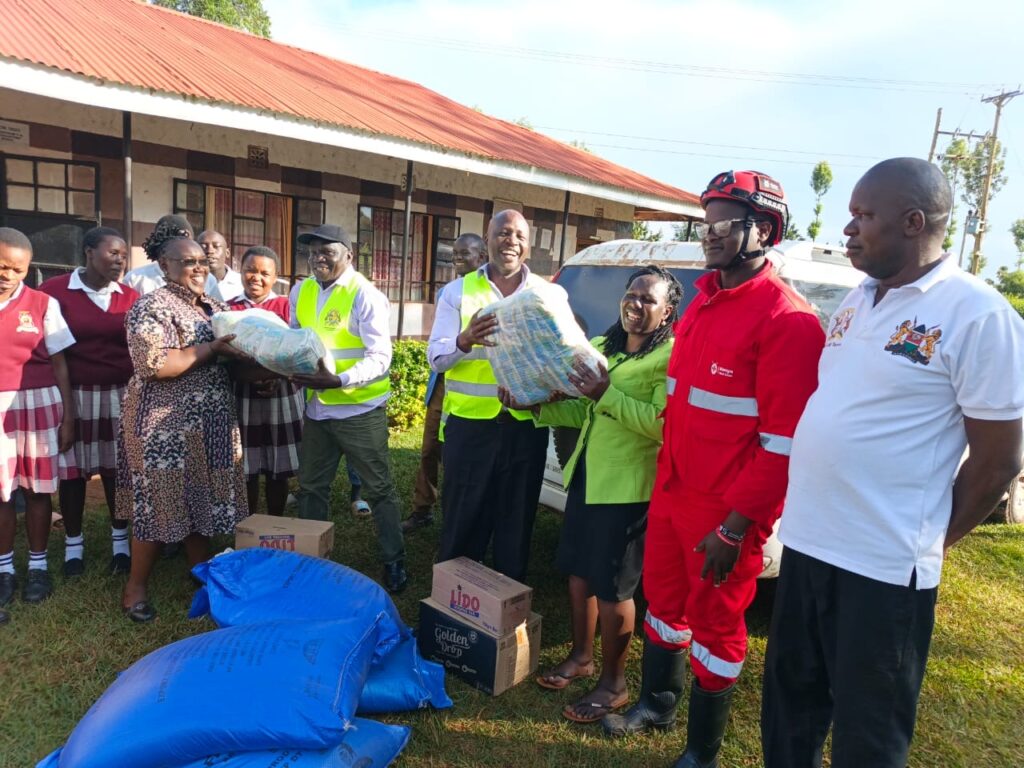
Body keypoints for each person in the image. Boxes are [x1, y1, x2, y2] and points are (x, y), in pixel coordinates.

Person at [761, 158, 1024, 768]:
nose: (848, 230)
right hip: (807, 543)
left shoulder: (978, 314)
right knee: (790, 709)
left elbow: (998, 460)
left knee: (868, 737)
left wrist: (928, 540)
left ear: (912, 222)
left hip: (882, 567)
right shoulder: (858, 298)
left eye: (863, 216)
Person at [602, 171, 825, 768]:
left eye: (726, 222)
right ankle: (657, 703)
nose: (711, 233)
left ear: (765, 229)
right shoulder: (701, 299)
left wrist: (735, 527)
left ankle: (702, 751)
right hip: (672, 490)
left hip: (724, 512)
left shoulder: (787, 321)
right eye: (706, 221)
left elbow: (782, 445)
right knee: (664, 603)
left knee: (718, 628)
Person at [520, 266, 682, 724]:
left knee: (613, 589)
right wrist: (539, 405)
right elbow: (585, 409)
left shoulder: (670, 356)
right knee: (578, 574)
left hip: (628, 489)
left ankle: (614, 682)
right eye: (630, 295)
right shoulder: (607, 347)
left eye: (647, 299)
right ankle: (582, 656)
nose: (635, 304)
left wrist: (607, 393)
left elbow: (662, 425)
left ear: (668, 310)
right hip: (588, 477)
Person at [116, 221, 250, 622]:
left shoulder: (213, 306)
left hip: (209, 419)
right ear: (163, 264)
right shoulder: (151, 306)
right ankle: (135, 588)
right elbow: (157, 364)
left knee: (201, 495)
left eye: (202, 262)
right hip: (162, 425)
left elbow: (235, 356)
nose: (198, 268)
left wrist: (274, 367)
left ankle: (202, 573)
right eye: (187, 261)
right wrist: (211, 347)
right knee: (158, 502)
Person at [427, 210, 550, 583]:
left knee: (516, 524)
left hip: (525, 428)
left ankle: (505, 610)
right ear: (488, 239)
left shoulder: (546, 294)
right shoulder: (457, 291)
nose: (511, 240)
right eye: (503, 233)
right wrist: (464, 339)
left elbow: (558, 356)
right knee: (463, 522)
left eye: (519, 234)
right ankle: (454, 606)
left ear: (527, 245)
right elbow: (437, 357)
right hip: (469, 429)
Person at [289, 224, 407, 594]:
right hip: (318, 411)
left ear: (348, 255)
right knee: (311, 487)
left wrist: (339, 381)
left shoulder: (365, 294)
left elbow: (381, 357)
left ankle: (394, 560)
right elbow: (295, 341)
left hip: (359, 410)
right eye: (312, 251)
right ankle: (312, 559)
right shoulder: (302, 290)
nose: (318, 257)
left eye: (328, 251)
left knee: (379, 489)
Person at [39, 227, 138, 577]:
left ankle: (121, 546)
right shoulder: (54, 292)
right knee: (73, 473)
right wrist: (64, 409)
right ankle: (73, 548)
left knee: (117, 471)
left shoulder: (131, 296)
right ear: (88, 253)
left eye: (124, 254)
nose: (120, 260)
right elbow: (50, 350)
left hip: (120, 393)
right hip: (75, 392)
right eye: (113, 253)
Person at [0, 227, 77, 617]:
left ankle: (38, 567)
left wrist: (69, 416)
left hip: (39, 405)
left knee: (37, 491)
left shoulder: (43, 304)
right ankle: (4, 571)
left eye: (16, 269)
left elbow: (61, 363)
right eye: (0, 266)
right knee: (0, 493)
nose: (6, 275)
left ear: (27, 269)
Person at [404, 233, 488, 533]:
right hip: (443, 381)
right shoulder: (448, 293)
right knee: (429, 449)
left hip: (478, 395)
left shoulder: (491, 293)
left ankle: (459, 516)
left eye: (465, 253)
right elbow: (438, 344)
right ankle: (422, 508)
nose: (457, 258)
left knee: (459, 457)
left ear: (483, 256)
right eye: (454, 253)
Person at [226, 246, 304, 517]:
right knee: (246, 467)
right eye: (250, 270)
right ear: (240, 271)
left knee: (277, 467)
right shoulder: (229, 308)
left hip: (281, 394)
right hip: (242, 396)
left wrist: (275, 377)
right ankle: (250, 524)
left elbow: (299, 349)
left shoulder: (287, 307)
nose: (256, 277)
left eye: (264, 272)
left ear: (275, 276)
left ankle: (273, 523)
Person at [197, 230, 244, 302]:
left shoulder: (242, 283)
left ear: (227, 253)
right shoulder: (190, 283)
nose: (210, 251)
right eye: (203, 246)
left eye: (216, 246)